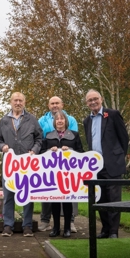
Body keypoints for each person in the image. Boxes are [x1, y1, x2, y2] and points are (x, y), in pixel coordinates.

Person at [82, 89, 129, 239]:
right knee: (100, 199)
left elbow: (123, 137)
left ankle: (114, 232)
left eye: (95, 99)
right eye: (90, 100)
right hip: (96, 167)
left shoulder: (112, 115)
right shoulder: (86, 121)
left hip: (112, 163)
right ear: (86, 103)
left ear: (101, 99)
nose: (93, 102)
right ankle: (105, 230)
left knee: (114, 199)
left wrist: (120, 156)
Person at [0, 92, 43, 237]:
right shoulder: (4, 120)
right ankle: (8, 226)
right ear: (11, 102)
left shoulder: (32, 119)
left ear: (24, 102)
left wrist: (34, 150)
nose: (18, 103)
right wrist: (2, 146)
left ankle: (27, 225)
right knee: (9, 195)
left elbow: (39, 139)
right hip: (10, 165)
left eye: (20, 100)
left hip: (27, 164)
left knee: (27, 195)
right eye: (15, 100)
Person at [37, 96, 80, 233]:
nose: (59, 121)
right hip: (51, 172)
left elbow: (80, 151)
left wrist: (71, 151)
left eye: (57, 103)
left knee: (68, 199)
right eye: (52, 103)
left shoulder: (73, 129)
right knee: (51, 198)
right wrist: (49, 151)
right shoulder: (45, 128)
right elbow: (41, 147)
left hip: (69, 173)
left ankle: (69, 224)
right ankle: (51, 224)